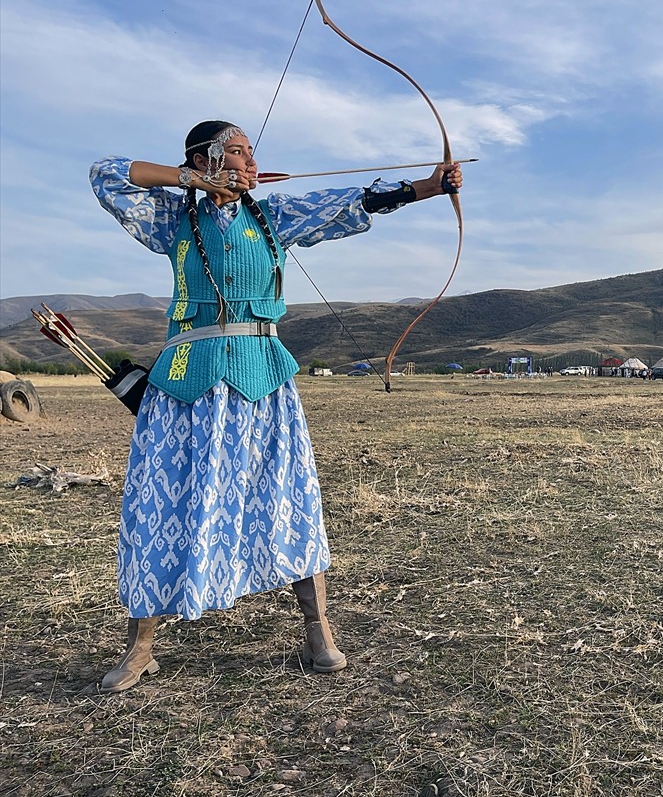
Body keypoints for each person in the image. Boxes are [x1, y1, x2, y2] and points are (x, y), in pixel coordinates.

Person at [89, 120, 462, 693]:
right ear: (206, 157)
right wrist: (193, 180)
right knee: (160, 503)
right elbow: (106, 173)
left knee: (287, 497)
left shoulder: (274, 216)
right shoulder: (173, 218)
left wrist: (428, 188)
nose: (249, 162)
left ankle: (318, 633)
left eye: (250, 153)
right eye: (236, 152)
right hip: (186, 378)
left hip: (263, 376)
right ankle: (140, 648)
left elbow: (347, 202)